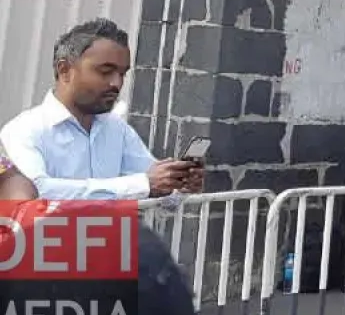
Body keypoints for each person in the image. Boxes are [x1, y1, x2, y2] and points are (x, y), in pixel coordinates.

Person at [1, 19, 201, 201]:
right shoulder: (24, 130)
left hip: (114, 231)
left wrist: (178, 184)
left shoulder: (116, 129)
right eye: (105, 72)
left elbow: (153, 182)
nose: (117, 83)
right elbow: (35, 191)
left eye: (122, 74)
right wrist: (142, 185)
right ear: (65, 70)